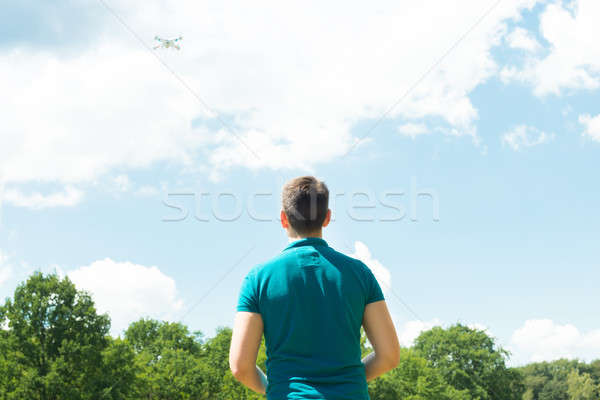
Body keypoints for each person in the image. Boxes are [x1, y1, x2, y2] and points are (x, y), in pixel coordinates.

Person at [229, 176, 400, 399]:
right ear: (327, 218)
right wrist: (347, 382)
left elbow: (240, 367)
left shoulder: (258, 278)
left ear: (283, 218)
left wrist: (278, 387)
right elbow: (389, 355)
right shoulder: (360, 274)